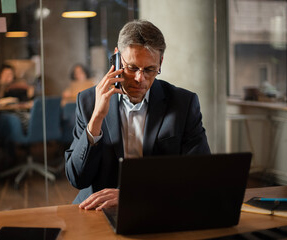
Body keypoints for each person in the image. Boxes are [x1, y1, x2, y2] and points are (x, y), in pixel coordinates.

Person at [65, 20, 210, 211]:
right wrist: (97, 119)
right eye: (132, 68)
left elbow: (200, 175)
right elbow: (77, 178)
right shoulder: (88, 101)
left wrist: (132, 195)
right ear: (116, 58)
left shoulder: (183, 103)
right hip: (98, 210)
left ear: (160, 62)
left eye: (149, 69)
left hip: (156, 206)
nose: (139, 79)